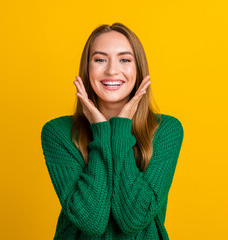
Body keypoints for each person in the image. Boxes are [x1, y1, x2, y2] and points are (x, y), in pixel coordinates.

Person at [41, 22, 184, 239]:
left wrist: (119, 131)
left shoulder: (165, 131)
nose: (112, 70)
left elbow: (133, 219)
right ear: (86, 69)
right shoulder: (58, 133)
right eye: (100, 59)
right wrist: (101, 130)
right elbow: (91, 221)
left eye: (125, 59)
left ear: (139, 69)